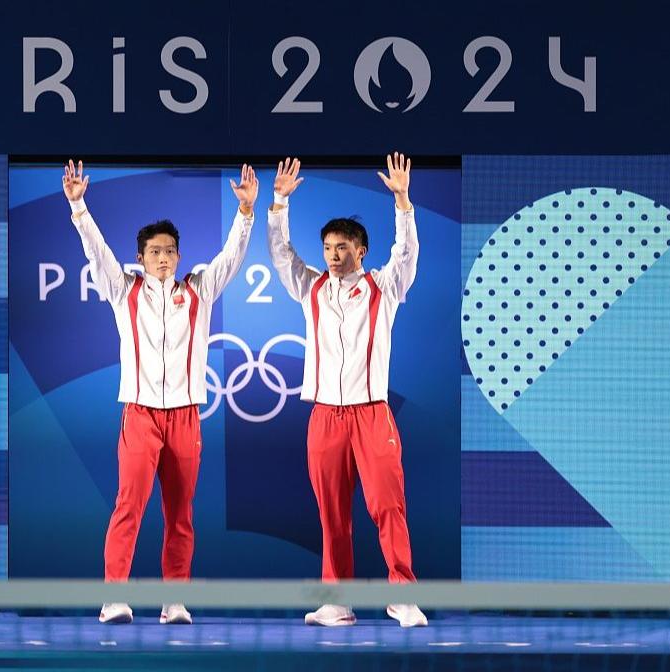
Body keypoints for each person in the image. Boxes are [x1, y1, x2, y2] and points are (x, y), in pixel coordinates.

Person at [63, 160, 258, 624]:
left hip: (186, 416)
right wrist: (78, 207)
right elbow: (97, 252)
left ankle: (174, 601)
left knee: (180, 514)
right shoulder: (123, 290)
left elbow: (231, 257)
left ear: (179, 255)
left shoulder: (199, 290)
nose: (164, 258)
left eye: (170, 250)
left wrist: (246, 213)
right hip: (140, 415)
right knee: (128, 507)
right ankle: (114, 597)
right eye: (155, 251)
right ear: (141, 257)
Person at [267, 154, 428, 628]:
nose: (333, 255)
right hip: (324, 417)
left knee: (387, 506)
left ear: (362, 250)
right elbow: (282, 254)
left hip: (371, 414)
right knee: (332, 514)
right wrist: (279, 204)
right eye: (327, 248)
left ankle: (403, 597)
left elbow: (406, 252)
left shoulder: (384, 287)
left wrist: (403, 202)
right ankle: (337, 602)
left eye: (342, 247)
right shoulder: (312, 289)